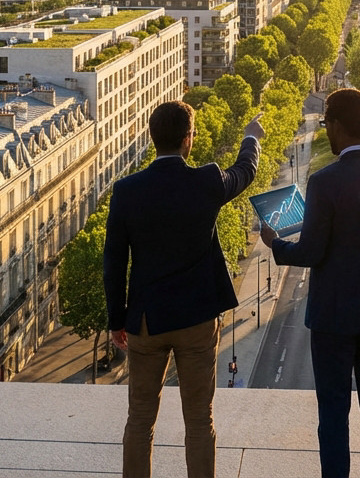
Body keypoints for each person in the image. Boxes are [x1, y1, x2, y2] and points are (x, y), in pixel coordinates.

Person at [261, 88, 360, 478]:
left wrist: (275, 243)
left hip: (332, 317)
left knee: (333, 411)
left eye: (325, 124)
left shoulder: (324, 181)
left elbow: (311, 252)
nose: (325, 131)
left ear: (335, 125)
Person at [104, 101, 263, 478]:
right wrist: (250, 138)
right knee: (199, 420)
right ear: (188, 139)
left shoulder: (126, 191)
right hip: (196, 319)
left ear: (152, 138)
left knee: (140, 420)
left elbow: (114, 262)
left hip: (146, 321)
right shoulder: (207, 181)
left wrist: (117, 320)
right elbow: (245, 171)